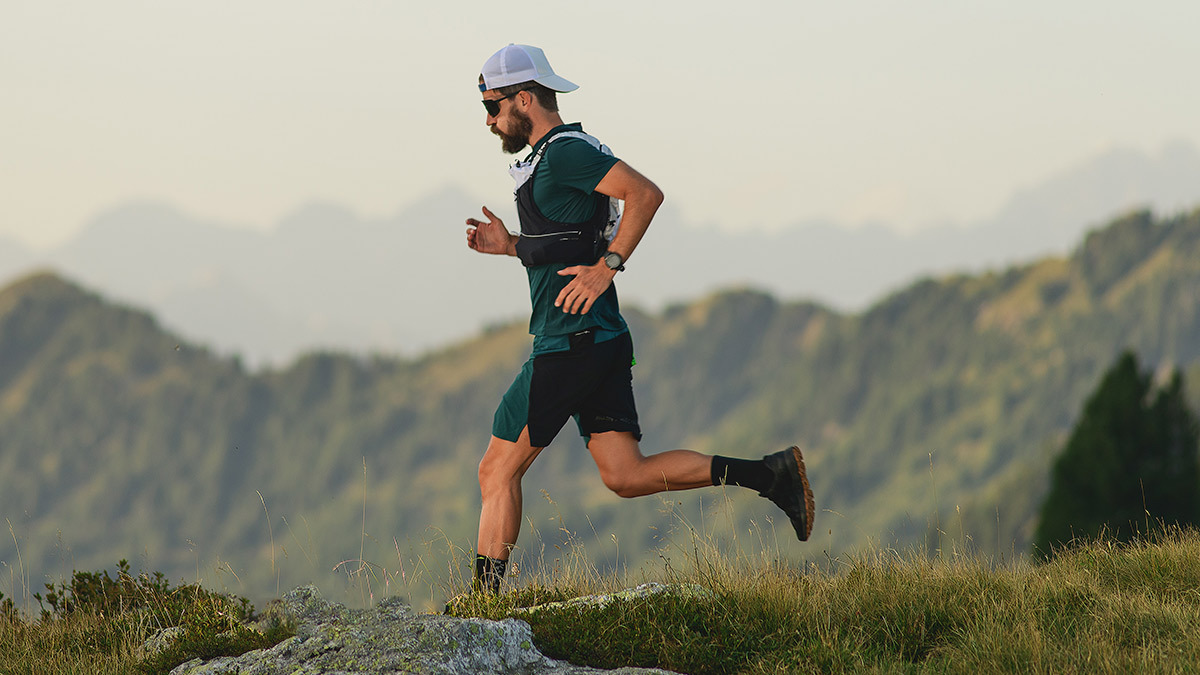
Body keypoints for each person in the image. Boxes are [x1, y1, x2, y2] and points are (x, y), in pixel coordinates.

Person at [464, 44, 814, 594]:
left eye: (491, 106)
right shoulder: (557, 155)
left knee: (496, 469)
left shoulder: (563, 153)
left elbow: (644, 194)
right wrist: (512, 246)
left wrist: (608, 267)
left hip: (569, 341)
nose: (488, 120)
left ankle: (478, 613)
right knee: (625, 474)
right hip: (599, 338)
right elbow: (574, 236)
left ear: (524, 98)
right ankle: (770, 475)